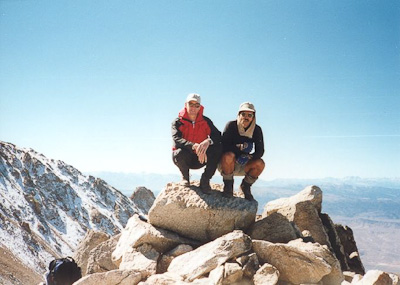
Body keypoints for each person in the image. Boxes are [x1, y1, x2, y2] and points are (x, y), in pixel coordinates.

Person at [172, 93, 222, 193]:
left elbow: (217, 135)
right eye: (191, 104)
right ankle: (185, 177)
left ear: (200, 107)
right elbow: (176, 139)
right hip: (185, 157)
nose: (193, 108)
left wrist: (208, 141)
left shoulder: (205, 121)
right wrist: (193, 146)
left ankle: (205, 181)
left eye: (196, 105)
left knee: (218, 148)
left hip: (201, 158)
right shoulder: (178, 122)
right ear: (186, 104)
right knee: (178, 152)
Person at [219, 102, 265, 200]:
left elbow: (260, 151)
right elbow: (224, 145)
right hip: (227, 163)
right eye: (243, 114)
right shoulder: (231, 125)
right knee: (229, 155)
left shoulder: (256, 130)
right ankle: (228, 186)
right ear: (239, 115)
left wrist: (250, 157)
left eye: (249, 115)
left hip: (244, 163)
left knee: (260, 164)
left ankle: (245, 186)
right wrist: (239, 151)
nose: (246, 117)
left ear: (253, 117)